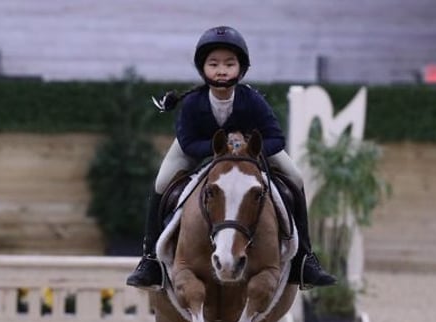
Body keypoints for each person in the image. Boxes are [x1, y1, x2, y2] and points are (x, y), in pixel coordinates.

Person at [126, 25, 336, 290]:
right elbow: (189, 143)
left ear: (241, 68)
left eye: (229, 63)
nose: (222, 70)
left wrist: (247, 148)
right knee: (161, 182)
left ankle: (304, 259)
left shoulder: (252, 100)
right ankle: (150, 261)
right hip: (197, 149)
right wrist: (221, 148)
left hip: (249, 153)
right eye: (214, 64)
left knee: (295, 176)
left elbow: (275, 139)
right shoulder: (192, 102)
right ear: (204, 69)